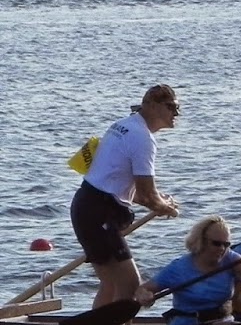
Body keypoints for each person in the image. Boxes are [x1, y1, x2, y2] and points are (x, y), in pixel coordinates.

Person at [70, 83, 181, 307]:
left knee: (110, 284)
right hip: (99, 212)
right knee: (130, 284)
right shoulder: (143, 138)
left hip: (86, 206)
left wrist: (159, 201)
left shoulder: (122, 125)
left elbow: (130, 191)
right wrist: (167, 208)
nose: (176, 113)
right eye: (172, 107)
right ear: (152, 106)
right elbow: (147, 196)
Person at [137, 216, 241, 325]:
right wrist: (145, 296)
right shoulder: (179, 268)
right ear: (201, 241)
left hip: (222, 323)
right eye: (216, 244)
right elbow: (143, 289)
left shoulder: (232, 260)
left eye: (226, 244)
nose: (222, 249)